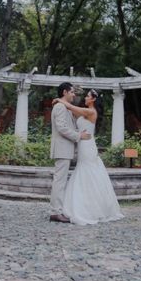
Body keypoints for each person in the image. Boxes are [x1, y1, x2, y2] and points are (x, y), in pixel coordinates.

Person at [55, 89, 124, 226]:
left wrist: (59, 100)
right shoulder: (85, 111)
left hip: (87, 146)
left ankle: (88, 209)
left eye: (87, 96)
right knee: (85, 171)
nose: (85, 98)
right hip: (83, 145)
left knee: (86, 172)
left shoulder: (91, 112)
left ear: (92, 99)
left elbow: (71, 107)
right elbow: (71, 113)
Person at [50, 82, 91, 223]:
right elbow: (61, 128)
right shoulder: (60, 107)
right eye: (72, 92)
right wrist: (79, 136)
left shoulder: (64, 106)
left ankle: (58, 210)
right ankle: (56, 212)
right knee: (59, 181)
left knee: (60, 180)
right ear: (65, 93)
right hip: (62, 148)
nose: (74, 95)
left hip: (65, 148)